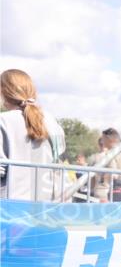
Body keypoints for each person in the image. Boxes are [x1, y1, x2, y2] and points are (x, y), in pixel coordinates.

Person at [0, 69, 66, 201]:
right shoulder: (51, 121)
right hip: (47, 207)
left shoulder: (3, 121)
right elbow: (60, 160)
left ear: (3, 93)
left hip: (11, 209)